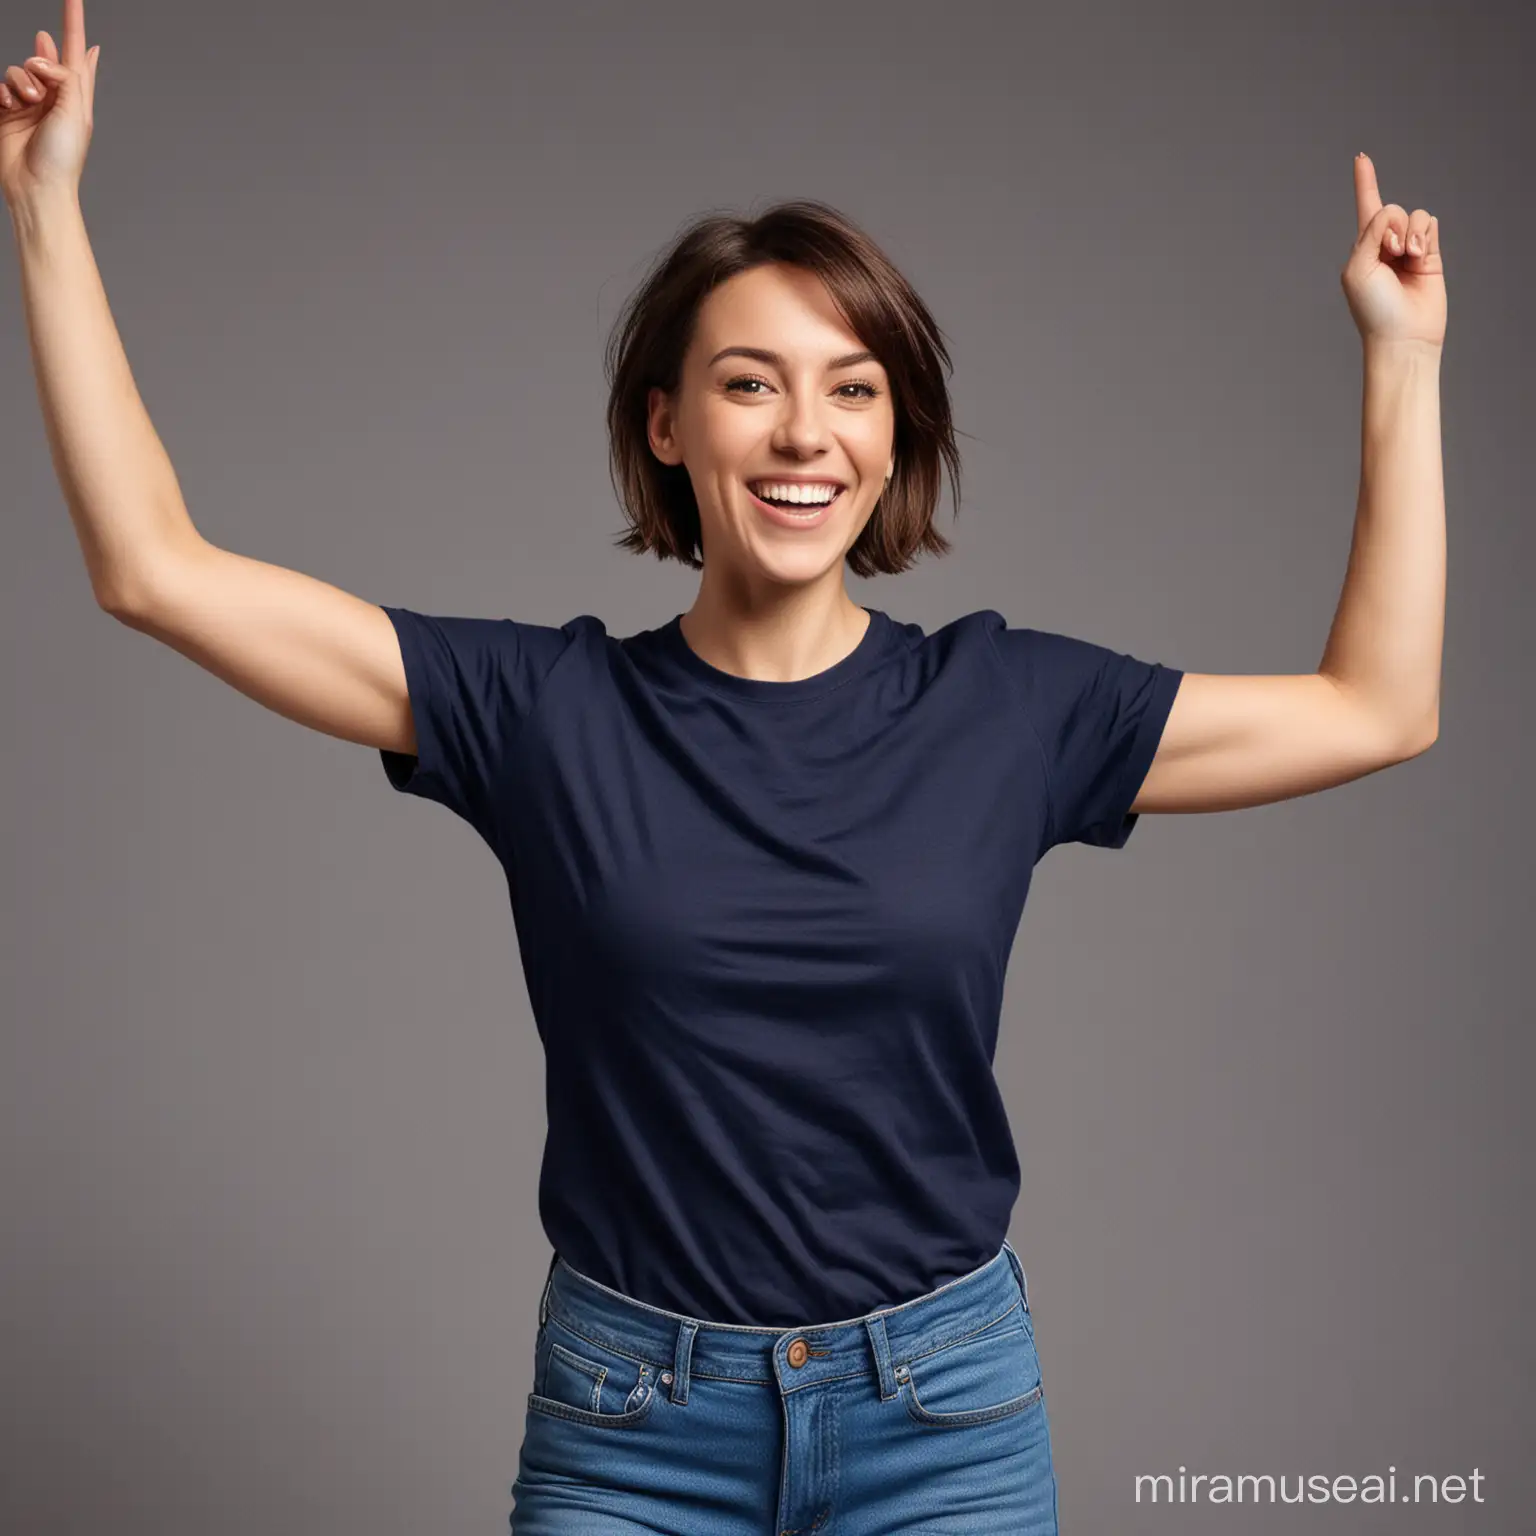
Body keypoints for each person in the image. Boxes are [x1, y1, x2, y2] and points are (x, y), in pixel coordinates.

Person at [4, 5, 1446, 1531]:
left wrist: (1403, 362)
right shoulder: (541, 711)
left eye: (854, 387)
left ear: (897, 435)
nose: (804, 432)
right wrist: (42, 208)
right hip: (633, 1423)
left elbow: (1378, 707)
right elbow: (152, 569)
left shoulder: (1010, 706)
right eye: (751, 383)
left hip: (940, 1417)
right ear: (670, 427)